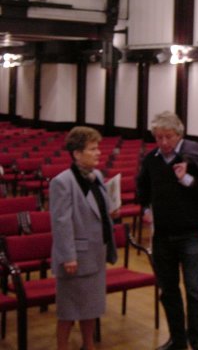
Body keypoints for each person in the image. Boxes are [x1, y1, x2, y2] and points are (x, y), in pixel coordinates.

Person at [137, 112, 198, 350]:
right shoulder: (151, 161)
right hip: (162, 236)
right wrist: (146, 209)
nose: (163, 142)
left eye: (168, 137)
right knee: (169, 291)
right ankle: (177, 340)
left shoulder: (193, 157)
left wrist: (186, 179)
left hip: (189, 235)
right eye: (158, 137)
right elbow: (143, 192)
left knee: (195, 291)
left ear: (179, 134)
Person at [49, 126, 118, 350]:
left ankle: (88, 345)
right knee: (69, 311)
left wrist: (111, 212)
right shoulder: (62, 182)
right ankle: (62, 347)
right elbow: (61, 222)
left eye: (98, 148)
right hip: (76, 257)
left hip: (96, 252)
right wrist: (68, 256)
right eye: (92, 149)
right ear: (77, 153)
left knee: (91, 308)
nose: (98, 152)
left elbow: (98, 209)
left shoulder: (96, 176)